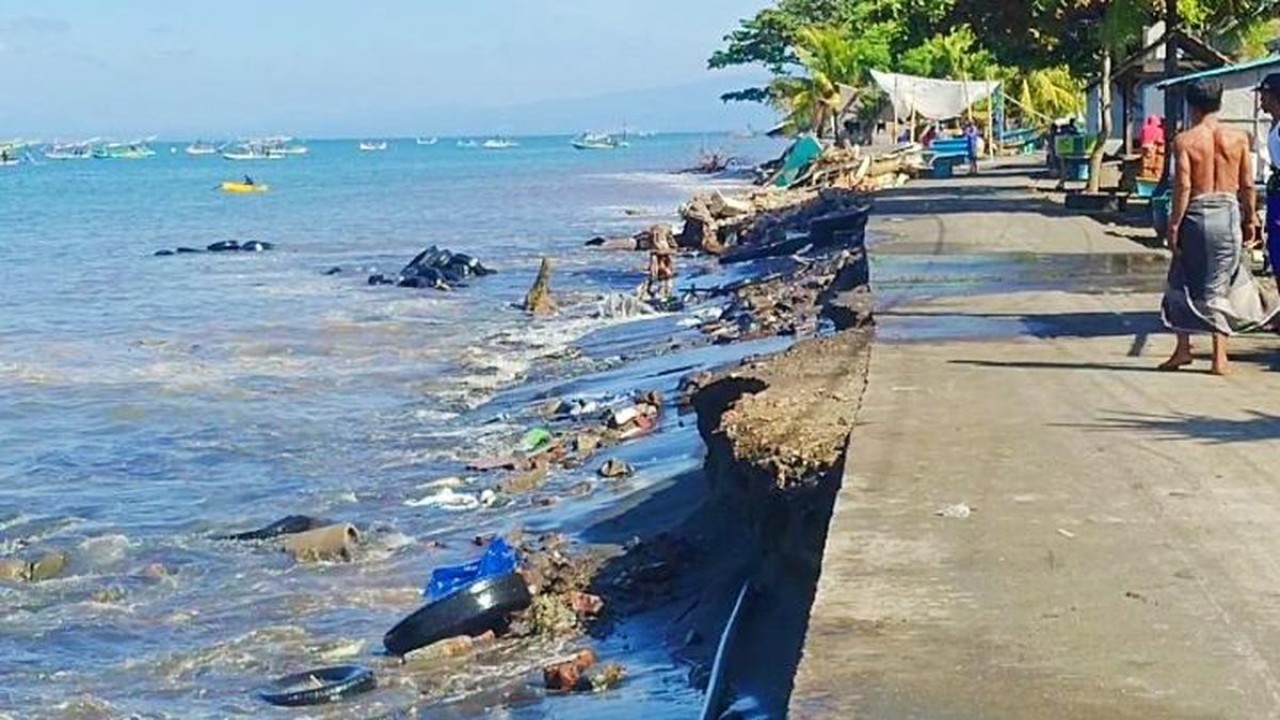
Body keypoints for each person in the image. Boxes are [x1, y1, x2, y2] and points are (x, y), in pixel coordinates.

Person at [1159, 80, 1275, 375]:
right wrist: (1251, 218)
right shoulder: (1238, 138)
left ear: (1191, 105)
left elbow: (1183, 185)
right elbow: (1247, 184)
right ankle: (1218, 355)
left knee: (1181, 278)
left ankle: (1184, 347)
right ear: (1219, 102)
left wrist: (1174, 224)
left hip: (1197, 213)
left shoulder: (1185, 141)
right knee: (1221, 282)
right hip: (1228, 212)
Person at [1256, 73, 1280, 293]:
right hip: (1275, 193)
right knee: (1275, 249)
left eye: (1264, 96)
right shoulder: (1274, 125)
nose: (1261, 102)